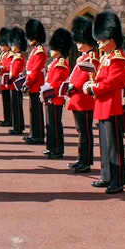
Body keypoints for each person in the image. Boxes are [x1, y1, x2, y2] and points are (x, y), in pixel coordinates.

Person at [83, 10, 125, 194]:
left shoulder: (118, 58)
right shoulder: (106, 58)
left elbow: (112, 82)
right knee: (104, 143)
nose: (99, 43)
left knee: (114, 146)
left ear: (111, 38)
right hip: (102, 104)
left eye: (101, 40)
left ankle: (117, 180)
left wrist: (93, 88)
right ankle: (106, 175)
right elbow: (102, 79)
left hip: (111, 105)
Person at [66, 16, 98, 174]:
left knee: (85, 132)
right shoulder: (83, 58)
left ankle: (86, 162)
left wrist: (73, 86)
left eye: (80, 40)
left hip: (84, 99)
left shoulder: (92, 58)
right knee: (81, 132)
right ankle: (81, 159)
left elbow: (87, 77)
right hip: (77, 99)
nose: (77, 43)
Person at [43, 27, 72, 160]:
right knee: (50, 124)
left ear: (59, 50)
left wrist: (46, 93)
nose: (51, 51)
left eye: (53, 49)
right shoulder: (55, 63)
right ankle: (51, 146)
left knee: (55, 124)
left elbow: (56, 83)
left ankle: (58, 149)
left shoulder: (61, 64)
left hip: (54, 98)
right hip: (49, 97)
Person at [24, 18, 48, 146]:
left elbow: (35, 70)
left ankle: (38, 135)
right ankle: (33, 133)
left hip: (36, 84)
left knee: (37, 112)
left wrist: (28, 83)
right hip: (33, 83)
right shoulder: (35, 50)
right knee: (33, 110)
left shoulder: (39, 51)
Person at [7, 27, 28, 136]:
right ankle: (17, 126)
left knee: (17, 106)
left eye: (13, 44)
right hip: (14, 84)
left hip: (16, 84)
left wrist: (9, 80)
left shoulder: (19, 57)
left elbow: (15, 72)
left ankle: (18, 127)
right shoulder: (16, 56)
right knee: (15, 106)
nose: (11, 46)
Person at [0, 27, 13, 127]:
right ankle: (6, 118)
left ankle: (10, 119)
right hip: (4, 81)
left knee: (8, 102)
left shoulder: (10, 55)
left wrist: (1, 70)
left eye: (2, 44)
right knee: (5, 102)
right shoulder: (4, 55)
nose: (1, 47)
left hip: (8, 82)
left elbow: (9, 68)